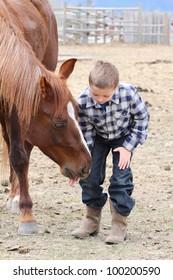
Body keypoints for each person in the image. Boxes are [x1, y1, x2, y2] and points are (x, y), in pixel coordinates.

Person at [72, 60, 150, 244]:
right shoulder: (82, 101)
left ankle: (119, 224)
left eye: (105, 96)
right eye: (95, 94)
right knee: (89, 176)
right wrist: (82, 163)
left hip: (123, 137)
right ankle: (92, 220)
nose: (99, 99)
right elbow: (85, 133)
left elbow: (142, 118)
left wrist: (128, 147)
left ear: (116, 87)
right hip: (98, 138)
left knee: (121, 178)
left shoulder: (129, 93)